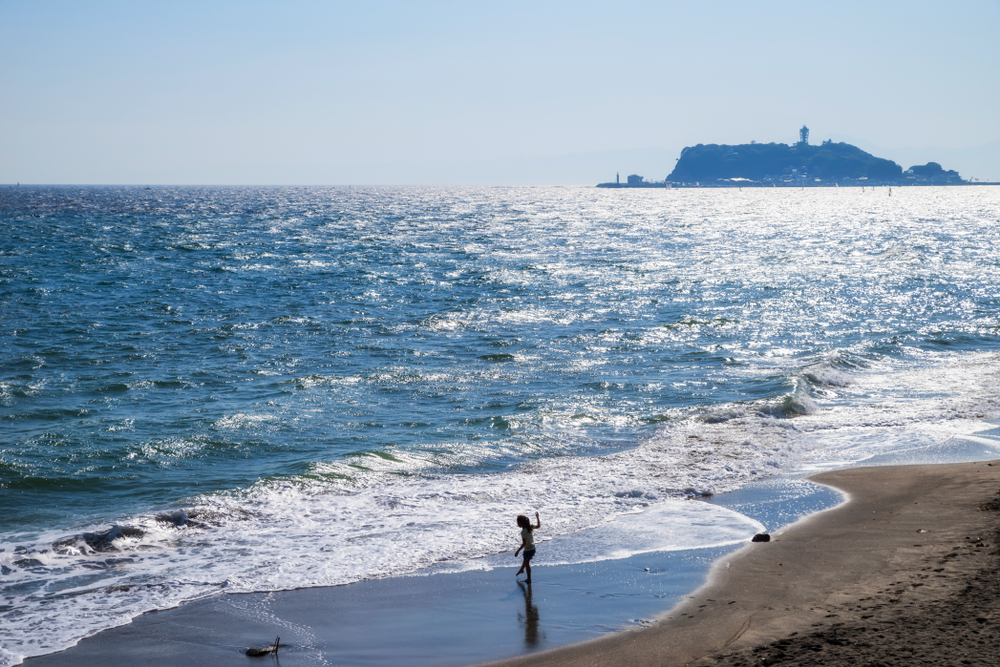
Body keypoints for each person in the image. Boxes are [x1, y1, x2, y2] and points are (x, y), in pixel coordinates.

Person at [514, 511, 541, 584]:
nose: (517, 524)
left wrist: (518, 551)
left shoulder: (523, 532)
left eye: (518, 522)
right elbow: (538, 526)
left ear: (521, 523)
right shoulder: (530, 527)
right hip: (533, 548)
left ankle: (529, 579)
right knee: (525, 560)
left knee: (527, 563)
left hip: (528, 549)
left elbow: (524, 543)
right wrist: (537, 517)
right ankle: (522, 569)